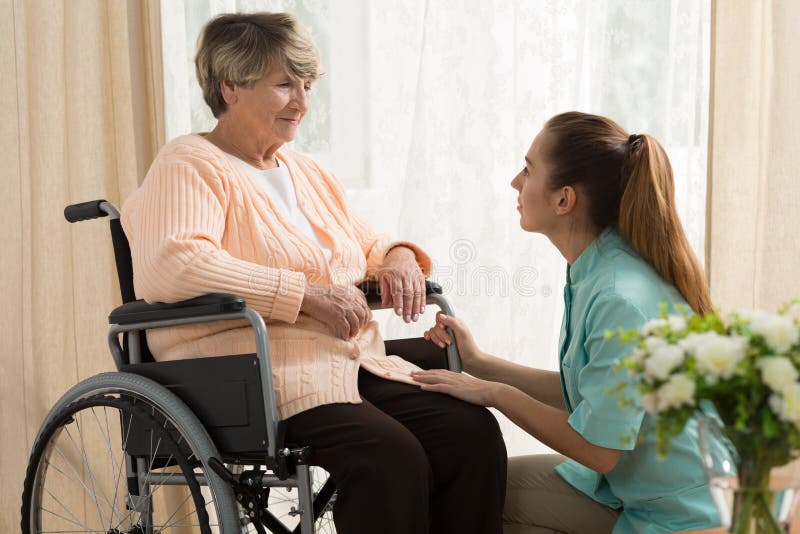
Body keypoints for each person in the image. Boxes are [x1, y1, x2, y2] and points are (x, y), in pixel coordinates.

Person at [121, 12, 506, 534]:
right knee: (388, 457)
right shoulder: (189, 163)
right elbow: (174, 265)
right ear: (229, 85)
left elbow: (365, 243)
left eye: (306, 85)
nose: (302, 101)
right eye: (284, 85)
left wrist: (395, 256)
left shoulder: (305, 170)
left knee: (469, 432)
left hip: (345, 362)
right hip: (252, 373)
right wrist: (303, 294)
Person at [413, 111, 719, 534]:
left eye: (527, 169)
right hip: (634, 490)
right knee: (470, 488)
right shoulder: (598, 268)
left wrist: (494, 393)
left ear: (564, 200)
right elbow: (593, 398)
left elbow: (598, 448)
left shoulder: (618, 298)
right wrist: (481, 363)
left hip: (685, 516)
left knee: (470, 501)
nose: (515, 183)